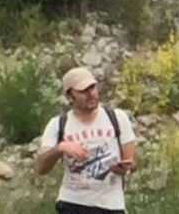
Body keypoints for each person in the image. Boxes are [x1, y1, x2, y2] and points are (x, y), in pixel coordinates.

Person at [34, 68, 137, 214]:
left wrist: (125, 168)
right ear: (70, 96)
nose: (91, 94)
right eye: (83, 90)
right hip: (73, 203)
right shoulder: (57, 124)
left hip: (112, 204)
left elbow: (131, 162)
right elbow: (40, 167)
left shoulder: (117, 118)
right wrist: (61, 148)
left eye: (92, 87)